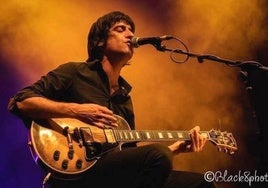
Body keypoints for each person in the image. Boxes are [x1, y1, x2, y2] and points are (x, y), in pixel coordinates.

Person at [8, 11, 215, 188]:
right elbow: (20, 102)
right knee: (158, 154)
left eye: (131, 30)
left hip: (111, 173)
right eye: (120, 29)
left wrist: (175, 149)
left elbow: (132, 156)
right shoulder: (74, 72)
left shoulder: (124, 98)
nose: (131, 34)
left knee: (202, 183)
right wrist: (77, 111)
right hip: (76, 173)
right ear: (99, 41)